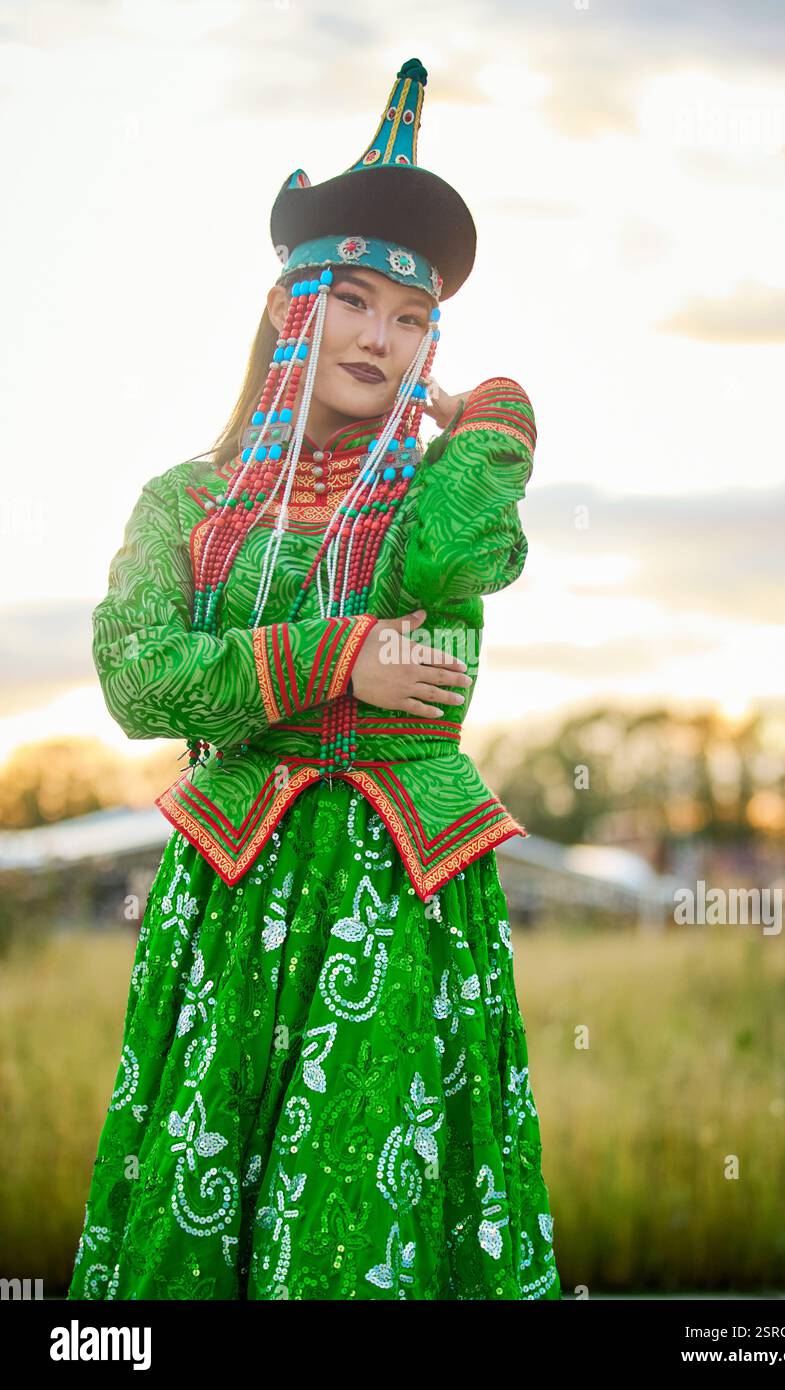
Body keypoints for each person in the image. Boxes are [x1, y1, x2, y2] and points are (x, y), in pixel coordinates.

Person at [68, 57, 561, 1301]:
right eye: (353, 301)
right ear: (293, 309)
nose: (379, 339)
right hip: (232, 895)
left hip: (394, 888)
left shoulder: (433, 500)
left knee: (359, 1200)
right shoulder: (181, 500)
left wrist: (495, 423)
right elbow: (138, 679)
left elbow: (440, 640)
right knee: (204, 1196)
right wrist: (338, 655)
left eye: (410, 321)